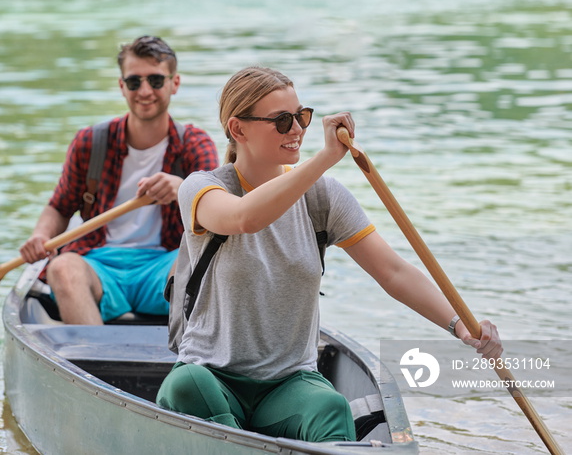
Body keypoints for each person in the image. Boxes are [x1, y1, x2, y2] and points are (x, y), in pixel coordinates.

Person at [156, 66, 502, 442]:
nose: (297, 130)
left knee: (332, 407)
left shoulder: (323, 197)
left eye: (302, 116)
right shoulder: (201, 188)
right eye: (283, 120)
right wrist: (324, 157)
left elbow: (393, 272)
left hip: (287, 383)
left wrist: (459, 325)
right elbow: (245, 218)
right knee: (187, 384)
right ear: (238, 129)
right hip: (212, 377)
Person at [19, 36, 219, 325]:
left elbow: (217, 212)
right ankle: (91, 361)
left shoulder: (194, 143)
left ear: (174, 84)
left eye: (156, 80)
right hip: (99, 263)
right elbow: (60, 208)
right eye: (135, 82)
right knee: (61, 268)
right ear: (122, 85)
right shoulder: (90, 142)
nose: (145, 91)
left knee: (202, 266)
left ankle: (187, 359)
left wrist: (183, 189)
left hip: (164, 264)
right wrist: (40, 236)